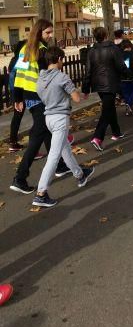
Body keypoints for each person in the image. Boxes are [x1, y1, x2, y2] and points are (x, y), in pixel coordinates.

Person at [10, 19, 69, 195]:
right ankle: (20, 178)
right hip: (41, 99)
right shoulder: (43, 52)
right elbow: (49, 78)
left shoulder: (24, 49)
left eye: (51, 32)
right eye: (47, 33)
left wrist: (18, 98)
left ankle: (59, 165)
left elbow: (18, 75)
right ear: (39, 33)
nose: (50, 36)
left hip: (29, 98)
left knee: (48, 132)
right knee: (37, 137)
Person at [33, 46, 94, 208]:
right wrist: (78, 93)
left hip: (49, 118)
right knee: (54, 155)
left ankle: (80, 174)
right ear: (59, 59)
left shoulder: (40, 79)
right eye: (62, 59)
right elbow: (76, 98)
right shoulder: (62, 77)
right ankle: (41, 193)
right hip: (60, 118)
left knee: (65, 149)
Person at [82, 27, 128, 151]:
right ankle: (97, 137)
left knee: (110, 107)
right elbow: (121, 66)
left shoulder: (91, 51)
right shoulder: (113, 49)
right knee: (107, 110)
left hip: (98, 84)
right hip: (111, 83)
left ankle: (116, 132)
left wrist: (85, 88)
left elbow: (88, 71)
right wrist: (127, 73)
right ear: (106, 35)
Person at [8, 39, 26, 152]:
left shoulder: (13, 60)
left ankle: (13, 142)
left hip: (16, 93)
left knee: (17, 117)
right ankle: (13, 142)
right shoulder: (21, 60)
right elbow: (17, 78)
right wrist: (18, 99)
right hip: (20, 93)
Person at [120, 39, 133, 115]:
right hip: (131, 77)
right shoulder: (132, 55)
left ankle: (129, 108)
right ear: (130, 46)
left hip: (122, 78)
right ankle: (129, 103)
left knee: (126, 93)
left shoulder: (119, 55)